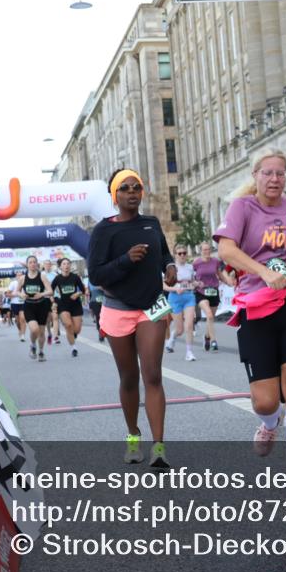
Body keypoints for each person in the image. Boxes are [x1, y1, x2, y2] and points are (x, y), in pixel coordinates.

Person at [214, 148, 286, 501]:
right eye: (268, 173)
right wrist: (264, 272)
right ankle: (268, 424)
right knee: (265, 401)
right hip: (258, 305)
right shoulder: (243, 208)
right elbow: (227, 251)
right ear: (256, 175)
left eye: (280, 173)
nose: (275, 179)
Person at [88, 169, 177, 470]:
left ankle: (159, 447)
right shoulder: (103, 231)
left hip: (152, 306)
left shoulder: (151, 224)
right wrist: (126, 259)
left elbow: (164, 253)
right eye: (124, 188)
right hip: (117, 308)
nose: (131, 192)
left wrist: (170, 266)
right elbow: (96, 275)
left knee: (152, 374)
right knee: (129, 378)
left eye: (136, 187)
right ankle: (133, 435)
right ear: (115, 196)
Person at [192, 241, 233, 352]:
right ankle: (214, 341)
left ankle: (207, 336)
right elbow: (191, 277)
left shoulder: (215, 261)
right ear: (200, 251)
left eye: (209, 249)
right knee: (209, 315)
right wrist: (195, 283)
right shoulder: (196, 263)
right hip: (201, 292)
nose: (207, 252)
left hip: (213, 291)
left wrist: (228, 282)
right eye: (205, 250)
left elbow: (219, 274)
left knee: (211, 318)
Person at [164, 245, 199, 361]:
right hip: (175, 298)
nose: (183, 255)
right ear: (175, 255)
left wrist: (197, 284)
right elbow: (163, 285)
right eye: (180, 253)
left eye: (184, 253)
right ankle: (172, 337)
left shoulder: (190, 267)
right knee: (180, 330)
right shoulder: (171, 268)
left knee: (189, 325)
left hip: (189, 297)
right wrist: (175, 289)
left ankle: (189, 352)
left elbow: (193, 281)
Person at [20, 255, 54, 362]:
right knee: (34, 329)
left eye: (34, 262)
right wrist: (21, 295)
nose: (33, 264)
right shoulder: (23, 278)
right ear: (27, 265)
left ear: (37, 264)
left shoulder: (42, 276)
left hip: (41, 305)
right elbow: (16, 291)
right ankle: (33, 344)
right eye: (30, 262)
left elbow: (50, 291)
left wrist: (42, 294)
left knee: (42, 332)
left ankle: (41, 352)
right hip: (29, 306)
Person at [52, 258, 86, 358]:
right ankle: (73, 347)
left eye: (68, 264)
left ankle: (73, 333)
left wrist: (77, 294)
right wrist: (53, 301)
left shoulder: (75, 277)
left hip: (75, 304)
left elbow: (83, 290)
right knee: (68, 325)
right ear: (60, 267)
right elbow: (50, 290)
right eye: (64, 264)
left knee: (77, 330)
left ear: (70, 266)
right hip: (63, 304)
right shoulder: (57, 278)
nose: (66, 266)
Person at [43, 259, 61, 346]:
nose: (47, 266)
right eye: (46, 264)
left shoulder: (54, 275)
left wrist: (60, 295)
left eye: (49, 264)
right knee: (47, 319)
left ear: (51, 265)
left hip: (55, 297)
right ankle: (49, 332)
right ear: (43, 265)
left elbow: (58, 286)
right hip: (45, 298)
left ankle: (55, 337)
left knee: (55, 317)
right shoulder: (41, 275)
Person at [7, 271, 27, 341]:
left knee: (23, 319)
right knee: (18, 321)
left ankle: (23, 335)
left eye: (21, 275)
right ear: (16, 277)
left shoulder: (26, 282)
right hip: (15, 303)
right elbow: (7, 294)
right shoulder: (13, 283)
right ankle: (20, 330)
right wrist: (16, 295)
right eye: (18, 275)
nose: (20, 277)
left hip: (24, 303)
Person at [87, 275, 105, 342]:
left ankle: (104, 332)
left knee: (104, 318)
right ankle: (101, 334)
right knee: (98, 317)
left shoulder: (104, 276)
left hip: (105, 300)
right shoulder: (90, 279)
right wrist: (89, 303)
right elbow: (88, 291)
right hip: (95, 300)